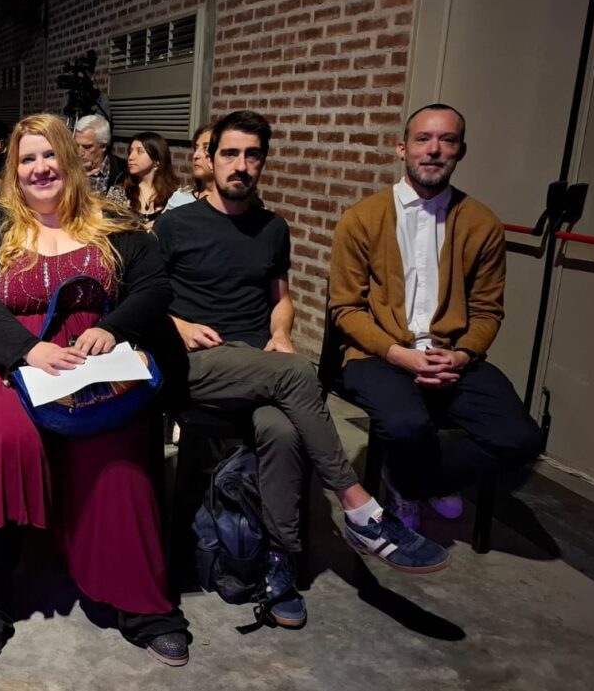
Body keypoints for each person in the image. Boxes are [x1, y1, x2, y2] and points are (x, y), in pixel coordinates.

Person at [157, 110, 450, 628]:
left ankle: (279, 561)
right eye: (230, 153)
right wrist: (177, 325)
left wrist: (282, 333)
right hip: (196, 361)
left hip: (259, 363)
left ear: (263, 162)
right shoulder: (175, 224)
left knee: (283, 429)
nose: (241, 165)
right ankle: (362, 510)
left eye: (252, 155)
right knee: (298, 373)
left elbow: (281, 298)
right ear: (210, 158)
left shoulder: (273, 228)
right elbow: (145, 299)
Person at [0, 113, 190, 667]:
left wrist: (114, 327)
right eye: (27, 159)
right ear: (14, 169)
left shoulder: (111, 220)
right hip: (9, 353)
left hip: (92, 356)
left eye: (49, 154)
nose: (39, 168)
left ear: (71, 160)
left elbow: (154, 286)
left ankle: (143, 604)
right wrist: (26, 350)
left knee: (119, 448)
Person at [330, 103, 542, 530]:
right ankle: (416, 477)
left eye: (447, 140)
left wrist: (461, 355)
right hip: (379, 354)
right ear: (402, 148)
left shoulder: (482, 223)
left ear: (461, 150)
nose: (434, 149)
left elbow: (487, 311)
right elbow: (345, 309)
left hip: (451, 355)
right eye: (423, 139)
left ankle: (414, 479)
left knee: (522, 440)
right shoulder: (361, 218)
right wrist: (398, 355)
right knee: (406, 426)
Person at [108, 131, 178, 226]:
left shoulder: (173, 196)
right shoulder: (119, 192)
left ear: (156, 160)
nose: (131, 157)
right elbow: (109, 227)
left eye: (140, 151)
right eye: (130, 151)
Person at [165, 123, 214, 210]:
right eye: (196, 148)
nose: (195, 155)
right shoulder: (181, 198)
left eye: (206, 148)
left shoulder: (235, 203)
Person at [73, 114, 125, 196]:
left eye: (87, 147)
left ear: (103, 146)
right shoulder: (66, 168)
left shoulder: (123, 171)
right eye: (76, 146)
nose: (79, 152)